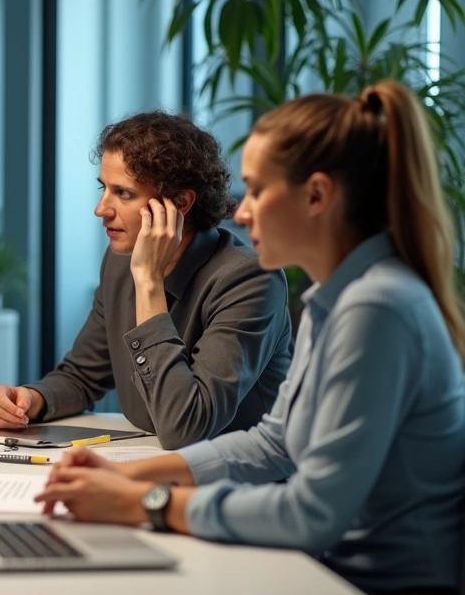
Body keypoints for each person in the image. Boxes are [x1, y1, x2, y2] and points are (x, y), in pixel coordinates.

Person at [35, 81, 465, 595]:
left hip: (361, 581)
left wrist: (146, 504)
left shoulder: (376, 308)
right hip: (321, 566)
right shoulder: (339, 296)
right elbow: (276, 441)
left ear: (317, 196)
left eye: (258, 190)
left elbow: (313, 513)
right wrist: (132, 477)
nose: (241, 211)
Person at [0, 112, 292, 449]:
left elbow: (185, 427)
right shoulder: (119, 263)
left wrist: (148, 282)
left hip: (238, 487)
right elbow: (83, 375)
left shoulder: (249, 280)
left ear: (180, 203)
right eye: (104, 189)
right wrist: (31, 399)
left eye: (124, 193)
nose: (101, 209)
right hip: (154, 464)